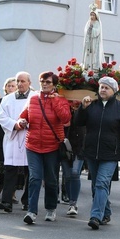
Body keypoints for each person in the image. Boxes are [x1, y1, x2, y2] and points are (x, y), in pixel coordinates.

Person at [74, 76, 120, 230]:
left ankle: (96, 216)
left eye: (106, 87)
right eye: (101, 87)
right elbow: (78, 122)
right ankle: (106, 211)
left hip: (110, 153)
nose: (103, 89)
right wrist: (82, 108)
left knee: (102, 183)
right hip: (91, 152)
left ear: (114, 91)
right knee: (96, 186)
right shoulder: (92, 105)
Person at [19, 71, 71, 224]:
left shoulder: (61, 100)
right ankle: (31, 211)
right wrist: (21, 121)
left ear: (54, 84)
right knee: (35, 178)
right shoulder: (33, 98)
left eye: (48, 82)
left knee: (51, 179)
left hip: (52, 146)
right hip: (33, 144)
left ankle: (50, 208)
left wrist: (54, 101)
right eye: (42, 81)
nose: (45, 84)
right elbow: (24, 115)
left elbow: (66, 119)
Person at [0, 73, 34, 213]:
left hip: (29, 137)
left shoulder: (35, 98)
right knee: (10, 170)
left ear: (29, 82)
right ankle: (6, 201)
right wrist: (14, 124)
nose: (19, 84)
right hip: (13, 137)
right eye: (18, 81)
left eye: (22, 81)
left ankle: (27, 201)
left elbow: (39, 115)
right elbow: (1, 116)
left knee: (29, 171)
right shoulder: (7, 99)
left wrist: (27, 123)